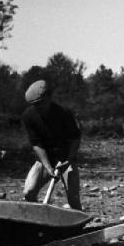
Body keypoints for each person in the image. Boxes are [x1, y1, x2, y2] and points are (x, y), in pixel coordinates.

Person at [21, 80, 82, 210]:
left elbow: (75, 138)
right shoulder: (28, 116)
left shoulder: (64, 113)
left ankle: (78, 226)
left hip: (66, 159)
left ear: (48, 97)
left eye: (39, 103)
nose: (37, 107)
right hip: (44, 160)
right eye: (34, 104)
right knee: (28, 193)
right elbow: (36, 143)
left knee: (73, 199)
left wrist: (70, 160)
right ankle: (37, 221)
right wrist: (47, 166)